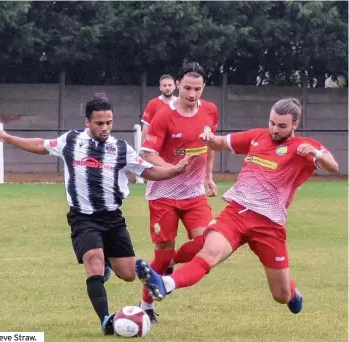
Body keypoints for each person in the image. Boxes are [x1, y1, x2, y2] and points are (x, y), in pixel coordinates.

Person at [0, 97, 196, 335]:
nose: (105, 128)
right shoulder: (71, 140)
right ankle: (106, 320)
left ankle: (111, 262)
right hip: (83, 217)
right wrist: (7, 138)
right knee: (94, 261)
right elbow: (40, 145)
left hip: (112, 218)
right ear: (88, 122)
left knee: (128, 275)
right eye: (99, 123)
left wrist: (175, 170)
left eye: (109, 122)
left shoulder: (120, 148)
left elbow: (148, 171)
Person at [136, 97, 339, 316]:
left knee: (280, 295)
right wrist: (209, 138)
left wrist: (315, 154)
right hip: (237, 212)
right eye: (272, 122)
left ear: (294, 125)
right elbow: (221, 143)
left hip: (269, 225)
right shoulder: (258, 137)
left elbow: (333, 166)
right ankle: (166, 283)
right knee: (209, 252)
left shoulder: (303, 147)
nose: (275, 129)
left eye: (282, 126)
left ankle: (292, 293)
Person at [137, 62, 218, 318]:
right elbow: (147, 153)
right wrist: (173, 169)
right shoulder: (164, 115)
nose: (192, 95)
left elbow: (210, 144)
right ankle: (146, 307)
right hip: (163, 193)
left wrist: (208, 176)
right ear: (178, 85)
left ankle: (172, 264)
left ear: (203, 87)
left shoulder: (211, 111)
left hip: (194, 193)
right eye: (187, 88)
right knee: (161, 255)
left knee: (206, 241)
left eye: (197, 89)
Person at [141, 74, 177, 139]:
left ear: (174, 86)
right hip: (158, 142)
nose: (167, 88)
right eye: (164, 85)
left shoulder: (181, 103)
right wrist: (142, 147)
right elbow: (146, 126)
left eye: (170, 85)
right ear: (160, 88)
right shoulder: (153, 103)